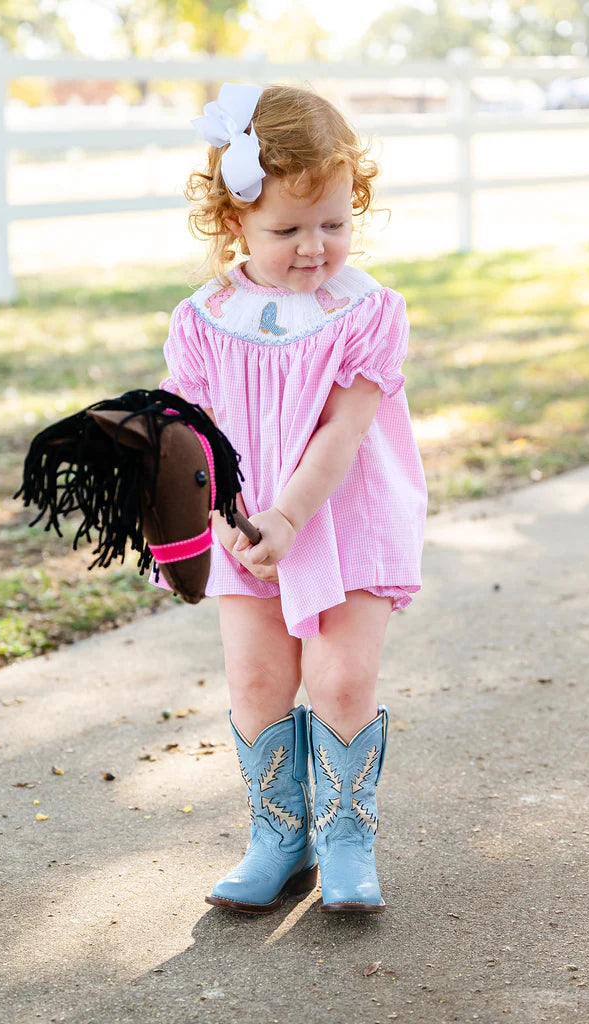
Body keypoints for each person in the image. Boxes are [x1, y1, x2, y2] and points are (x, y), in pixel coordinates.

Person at [155, 82, 427, 914]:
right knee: (256, 680)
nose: (315, 248)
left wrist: (289, 516)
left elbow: (344, 434)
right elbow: (192, 431)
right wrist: (200, 500)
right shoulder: (204, 319)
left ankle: (346, 838)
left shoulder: (366, 310)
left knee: (341, 681)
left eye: (334, 224)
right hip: (247, 534)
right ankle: (278, 835)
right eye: (287, 229)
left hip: (341, 520)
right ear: (232, 221)